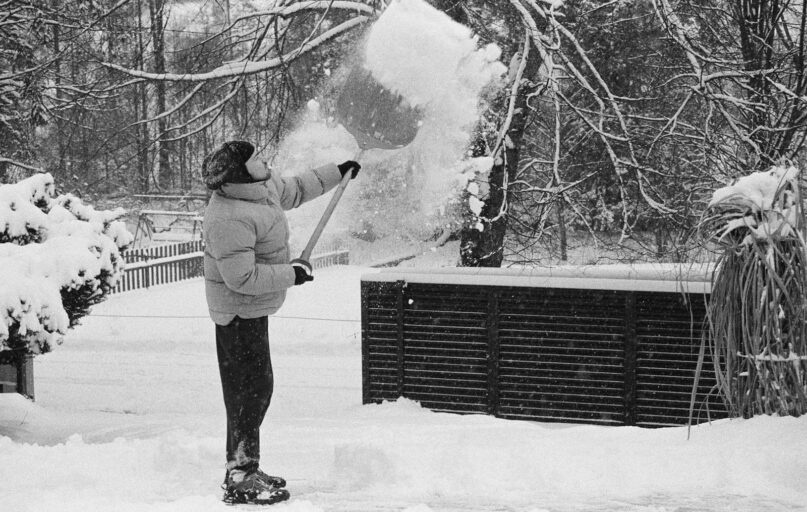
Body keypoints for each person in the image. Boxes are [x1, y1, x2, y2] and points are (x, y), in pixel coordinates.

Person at [201, 140, 360, 505]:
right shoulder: (227, 216)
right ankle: (240, 474)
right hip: (237, 312)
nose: (264, 160)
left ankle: (246, 466)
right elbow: (240, 278)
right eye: (256, 157)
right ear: (241, 171)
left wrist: (338, 172)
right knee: (247, 392)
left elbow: (298, 188)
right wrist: (291, 274)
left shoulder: (261, 188)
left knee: (256, 389)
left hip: (253, 309)